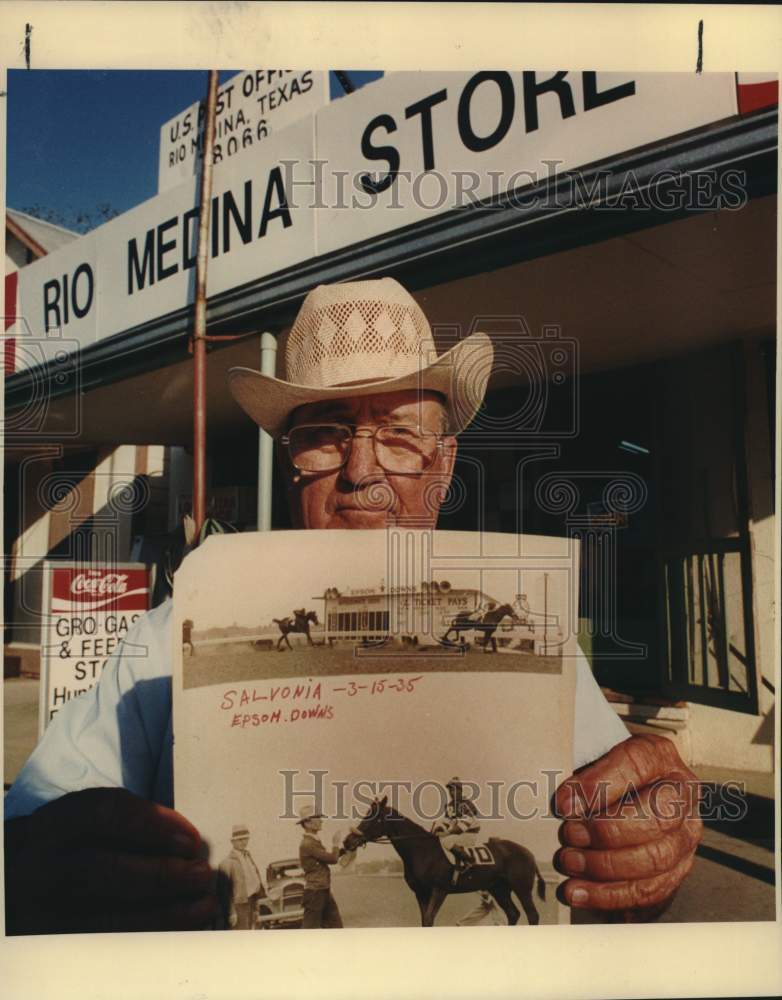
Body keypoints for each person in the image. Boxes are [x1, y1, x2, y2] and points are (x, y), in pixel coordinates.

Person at [3, 277, 701, 934]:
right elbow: (30, 831)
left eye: (399, 436)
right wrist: (43, 866)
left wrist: (646, 836)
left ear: (445, 465)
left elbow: (619, 819)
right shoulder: (166, 641)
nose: (363, 474)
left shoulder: (536, 645)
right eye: (328, 434)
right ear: (292, 462)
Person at [296, 806, 344, 929]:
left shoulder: (313, 842)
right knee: (309, 930)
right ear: (307, 823)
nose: (321, 820)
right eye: (317, 818)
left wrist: (343, 849)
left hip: (322, 890)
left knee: (336, 927)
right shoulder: (308, 844)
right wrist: (335, 844)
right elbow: (333, 859)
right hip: (315, 893)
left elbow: (329, 857)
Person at [217, 824, 266, 930]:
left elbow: (255, 881)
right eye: (239, 840)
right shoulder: (227, 863)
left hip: (252, 902)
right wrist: (231, 912)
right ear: (232, 842)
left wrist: (256, 906)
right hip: (239, 906)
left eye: (245, 839)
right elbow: (224, 891)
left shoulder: (248, 857)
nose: (243, 842)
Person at [436, 777, 481, 874]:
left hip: (469, 834)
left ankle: (469, 860)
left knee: (447, 841)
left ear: (460, 790)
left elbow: (462, 827)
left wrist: (446, 833)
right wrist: (437, 829)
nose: (451, 792)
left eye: (454, 790)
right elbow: (446, 822)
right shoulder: (450, 805)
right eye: (450, 790)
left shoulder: (467, 804)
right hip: (457, 834)